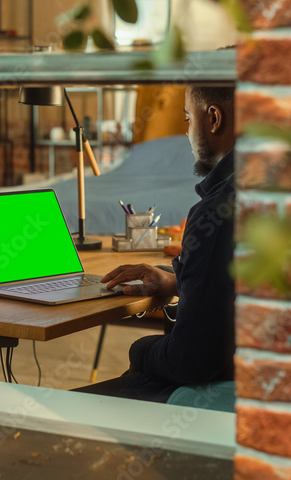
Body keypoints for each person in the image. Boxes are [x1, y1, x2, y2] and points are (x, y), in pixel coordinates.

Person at [77, 84, 237, 403]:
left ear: (214, 119)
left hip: (230, 393)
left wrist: (138, 350)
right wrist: (181, 283)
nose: (188, 133)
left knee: (63, 409)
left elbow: (190, 362)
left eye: (189, 119)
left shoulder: (217, 213)